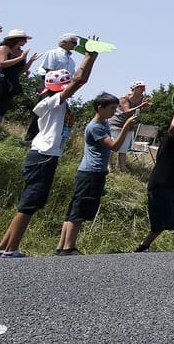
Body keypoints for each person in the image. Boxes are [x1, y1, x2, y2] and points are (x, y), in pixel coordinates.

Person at [0, 40, 99, 257]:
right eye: (66, 85)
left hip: (43, 156)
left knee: (27, 205)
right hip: (43, 157)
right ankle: (11, 250)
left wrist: (91, 59)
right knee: (28, 206)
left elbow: (79, 81)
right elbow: (79, 80)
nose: (70, 88)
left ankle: (2, 248)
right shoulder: (51, 102)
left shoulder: (53, 101)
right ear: (59, 87)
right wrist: (89, 56)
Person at [55, 92, 139, 255]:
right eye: (112, 108)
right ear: (100, 108)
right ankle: (68, 247)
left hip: (93, 172)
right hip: (90, 172)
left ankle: (62, 246)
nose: (114, 112)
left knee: (75, 209)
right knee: (78, 210)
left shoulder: (103, 123)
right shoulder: (96, 127)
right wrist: (126, 127)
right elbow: (114, 146)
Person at [135, 112, 174, 253]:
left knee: (167, 222)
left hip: (170, 186)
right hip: (159, 185)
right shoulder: (169, 142)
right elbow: (173, 127)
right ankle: (142, 247)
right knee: (160, 221)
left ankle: (144, 246)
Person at [0, 29, 39, 127]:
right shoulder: (3, 48)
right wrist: (21, 58)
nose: (25, 42)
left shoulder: (21, 52)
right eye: (24, 39)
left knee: (1, 109)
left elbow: (21, 70)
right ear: (16, 39)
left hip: (11, 82)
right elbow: (2, 63)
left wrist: (30, 61)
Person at [25, 33, 80, 141]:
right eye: (73, 42)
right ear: (64, 42)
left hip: (62, 87)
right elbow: (49, 70)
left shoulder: (71, 61)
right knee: (43, 110)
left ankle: (47, 138)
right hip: (49, 84)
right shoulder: (53, 53)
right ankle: (30, 138)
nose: (75, 44)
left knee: (57, 113)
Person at [110, 81, 151, 173]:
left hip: (129, 125)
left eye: (143, 87)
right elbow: (127, 111)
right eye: (141, 87)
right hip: (117, 124)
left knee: (124, 148)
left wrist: (146, 106)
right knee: (112, 146)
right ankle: (109, 166)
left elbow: (140, 110)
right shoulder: (124, 98)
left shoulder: (142, 98)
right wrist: (141, 105)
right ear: (134, 88)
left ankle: (122, 167)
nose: (143, 89)